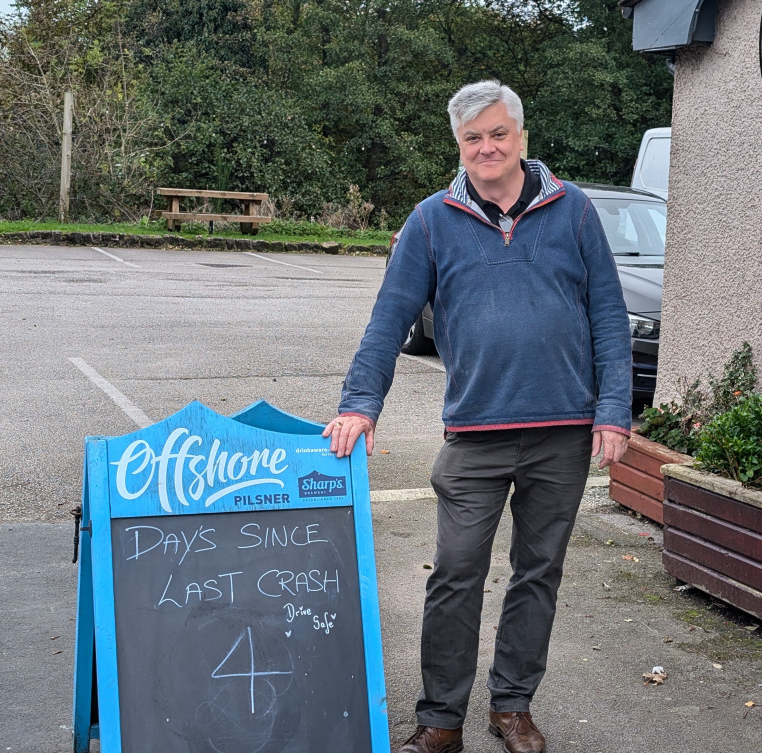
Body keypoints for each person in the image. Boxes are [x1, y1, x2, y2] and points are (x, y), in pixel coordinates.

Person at [323, 79, 632, 753]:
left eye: (498, 133)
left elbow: (608, 315)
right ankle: (440, 719)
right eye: (472, 138)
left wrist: (613, 411)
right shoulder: (432, 220)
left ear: (520, 137)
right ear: (458, 145)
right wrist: (358, 404)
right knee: (456, 572)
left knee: (538, 570)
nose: (486, 147)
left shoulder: (573, 210)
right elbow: (388, 321)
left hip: (562, 433)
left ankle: (513, 705)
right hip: (474, 436)